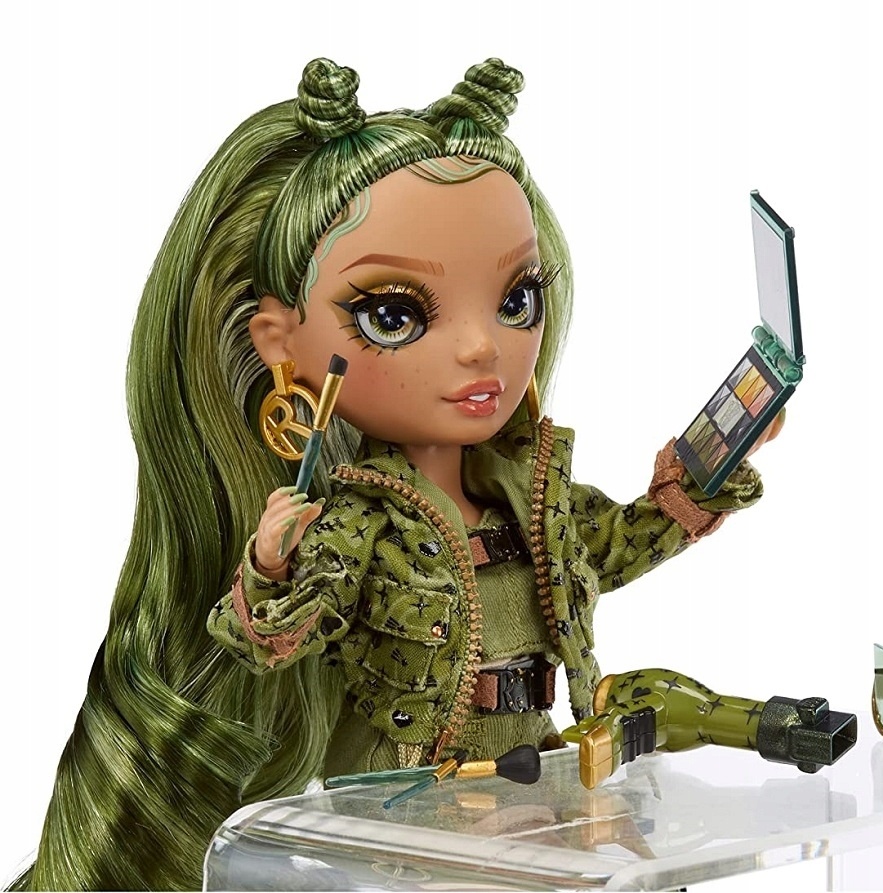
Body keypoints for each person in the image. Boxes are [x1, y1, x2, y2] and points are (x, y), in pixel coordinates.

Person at [18, 57, 777, 891]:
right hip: (412, 817)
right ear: (278, 341)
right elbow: (277, 635)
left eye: (516, 299)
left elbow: (613, 545)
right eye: (394, 314)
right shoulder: (360, 523)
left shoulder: (530, 495)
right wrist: (269, 567)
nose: (482, 347)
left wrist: (701, 478)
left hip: (546, 788)